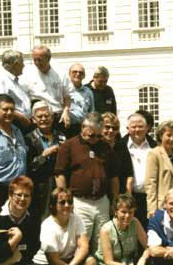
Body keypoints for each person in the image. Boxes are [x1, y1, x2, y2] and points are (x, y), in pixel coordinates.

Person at [54, 112, 119, 256]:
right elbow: (60, 174)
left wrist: (115, 199)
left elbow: (114, 176)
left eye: (98, 136)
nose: (95, 139)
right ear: (82, 127)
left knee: (103, 240)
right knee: (81, 241)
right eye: (91, 135)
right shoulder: (68, 146)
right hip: (79, 201)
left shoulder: (105, 147)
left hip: (102, 201)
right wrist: (65, 200)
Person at [96, 194, 150, 265]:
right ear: (115, 212)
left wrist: (142, 261)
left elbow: (148, 247)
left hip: (128, 262)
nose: (127, 216)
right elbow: (109, 263)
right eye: (123, 212)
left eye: (130, 212)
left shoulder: (135, 222)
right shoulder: (106, 229)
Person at [25, 101, 66, 220]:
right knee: (42, 220)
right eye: (39, 116)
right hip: (40, 188)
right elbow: (29, 166)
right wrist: (44, 155)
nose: (44, 119)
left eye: (47, 116)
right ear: (33, 119)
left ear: (52, 117)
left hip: (59, 184)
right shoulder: (29, 139)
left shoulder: (61, 136)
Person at [115, 112, 157, 228]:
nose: (137, 130)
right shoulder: (119, 147)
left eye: (140, 126)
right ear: (128, 129)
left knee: (149, 231)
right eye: (133, 127)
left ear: (147, 128)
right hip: (128, 197)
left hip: (150, 198)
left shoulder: (155, 147)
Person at [20, 45, 70, 135]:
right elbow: (23, 96)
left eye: (39, 59)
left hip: (57, 117)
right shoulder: (27, 73)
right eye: (34, 59)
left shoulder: (60, 73)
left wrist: (66, 111)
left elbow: (67, 96)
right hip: (38, 119)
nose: (36, 62)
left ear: (48, 58)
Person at [145, 120, 173, 216]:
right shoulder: (154, 153)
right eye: (169, 135)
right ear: (160, 136)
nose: (172, 139)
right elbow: (150, 184)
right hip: (163, 204)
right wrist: (152, 209)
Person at [0, 49, 32, 130]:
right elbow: (0, 106)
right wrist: (21, 117)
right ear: (15, 64)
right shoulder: (0, 80)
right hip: (13, 124)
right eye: (22, 62)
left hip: (23, 124)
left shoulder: (16, 81)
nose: (23, 65)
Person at [64, 62, 95, 137]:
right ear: (69, 74)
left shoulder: (88, 92)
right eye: (74, 72)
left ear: (84, 76)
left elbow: (92, 112)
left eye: (80, 73)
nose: (78, 74)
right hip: (67, 128)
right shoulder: (64, 89)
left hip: (83, 129)